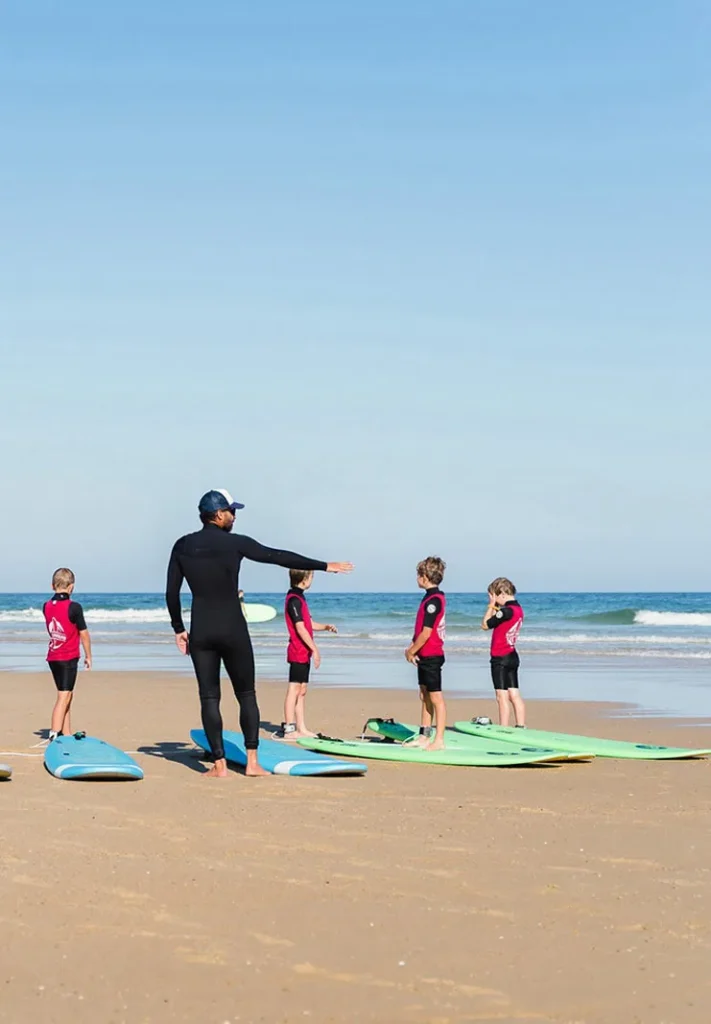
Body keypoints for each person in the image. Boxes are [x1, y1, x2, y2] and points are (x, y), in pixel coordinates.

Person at [166, 489, 353, 778]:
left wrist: (178, 628)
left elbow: (171, 593)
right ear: (218, 515)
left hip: (202, 630)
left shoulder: (182, 546)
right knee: (246, 694)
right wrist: (324, 565)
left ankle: (219, 766)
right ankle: (252, 763)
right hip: (233, 629)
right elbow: (276, 556)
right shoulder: (235, 543)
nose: (235, 515)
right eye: (231, 511)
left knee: (209, 698)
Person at [279, 569, 337, 740]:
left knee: (302, 690)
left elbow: (308, 623)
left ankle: (301, 727)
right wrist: (315, 649)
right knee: (294, 688)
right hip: (297, 651)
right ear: (304, 579)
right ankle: (289, 728)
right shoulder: (293, 600)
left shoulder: (300, 598)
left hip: (304, 652)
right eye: (311, 576)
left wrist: (325, 626)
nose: (312, 579)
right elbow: (300, 628)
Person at [43, 568, 92, 740]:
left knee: (66, 694)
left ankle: (67, 733)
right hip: (68, 657)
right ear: (71, 587)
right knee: (64, 696)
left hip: (53, 656)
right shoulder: (74, 607)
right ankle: (54, 735)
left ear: (52, 585)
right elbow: (83, 633)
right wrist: (89, 656)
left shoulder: (46, 606)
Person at [404, 557, 447, 751]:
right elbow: (419, 629)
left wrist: (411, 650)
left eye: (418, 574)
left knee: (436, 697)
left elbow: (427, 632)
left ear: (425, 576)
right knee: (424, 695)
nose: (416, 578)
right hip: (423, 655)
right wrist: (413, 648)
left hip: (432, 655)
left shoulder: (434, 600)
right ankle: (424, 734)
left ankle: (439, 739)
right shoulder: (428, 597)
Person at [481, 577, 525, 727]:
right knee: (514, 694)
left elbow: (485, 625)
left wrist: (491, 606)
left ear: (502, 593)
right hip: (512, 655)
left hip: (501, 657)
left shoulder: (506, 611)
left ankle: (503, 728)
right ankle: (521, 725)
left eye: (494, 596)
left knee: (502, 695)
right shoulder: (518, 609)